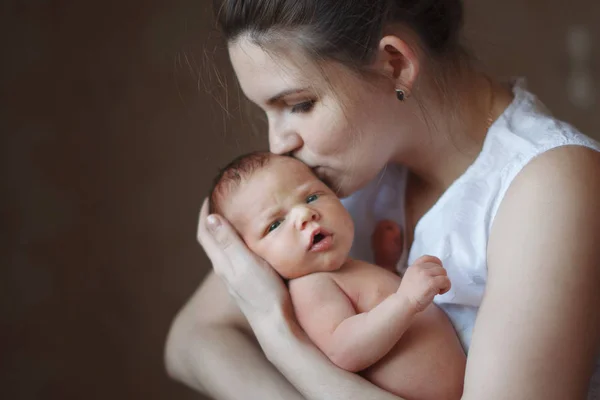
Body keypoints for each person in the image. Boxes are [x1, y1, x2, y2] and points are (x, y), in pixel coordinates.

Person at [164, 1, 600, 399]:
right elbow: (189, 339)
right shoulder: (326, 184)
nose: (277, 145)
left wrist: (281, 340)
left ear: (394, 64)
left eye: (299, 104)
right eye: (266, 112)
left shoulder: (548, 185)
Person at [208, 151, 466, 399]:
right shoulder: (310, 287)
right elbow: (344, 350)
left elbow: (370, 307)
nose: (304, 214)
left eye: (311, 197)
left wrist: (386, 263)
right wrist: (406, 301)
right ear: (250, 258)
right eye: (275, 224)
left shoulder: (342, 270)